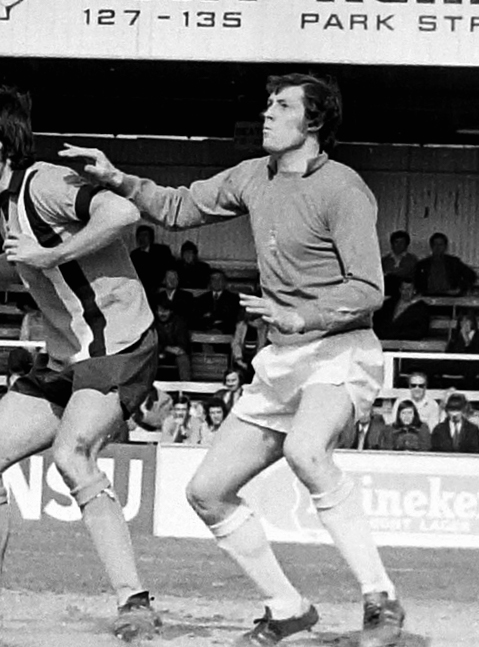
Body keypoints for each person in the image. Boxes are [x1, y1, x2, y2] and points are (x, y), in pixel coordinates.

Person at [63, 73, 405, 646]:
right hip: (282, 359)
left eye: (282, 106)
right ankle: (287, 606)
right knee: (207, 491)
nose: (267, 113)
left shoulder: (343, 189)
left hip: (339, 350)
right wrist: (117, 177)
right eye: (268, 104)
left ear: (315, 122)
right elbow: (175, 208)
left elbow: (369, 289)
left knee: (305, 449)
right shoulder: (253, 176)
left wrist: (303, 316)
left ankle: (381, 600)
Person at [0, 86, 163, 641]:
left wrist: (51, 254)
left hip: (119, 345)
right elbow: (27, 267)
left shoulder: (45, 182)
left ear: (9, 144)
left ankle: (136, 602)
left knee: (72, 452)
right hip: (67, 357)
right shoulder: (7, 206)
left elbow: (123, 212)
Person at [416, 232, 476, 297]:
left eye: (440, 244)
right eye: (435, 244)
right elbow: (416, 282)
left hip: (449, 297)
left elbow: (471, 275)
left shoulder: (453, 262)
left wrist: (460, 288)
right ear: (431, 246)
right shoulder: (422, 264)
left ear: (445, 246)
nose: (438, 247)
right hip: (428, 297)